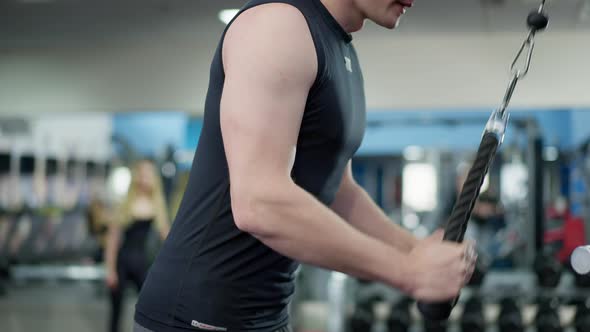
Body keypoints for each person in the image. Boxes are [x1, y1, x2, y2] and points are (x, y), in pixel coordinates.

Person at [134, 1, 478, 331]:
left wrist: (415, 250)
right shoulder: (277, 27)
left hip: (267, 313)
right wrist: (407, 271)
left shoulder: (338, 47)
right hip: (200, 316)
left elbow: (337, 191)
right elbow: (258, 202)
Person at [105, 159, 170, 332]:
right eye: (142, 174)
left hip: (143, 264)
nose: (144, 178)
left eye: (148, 174)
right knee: (116, 312)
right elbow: (112, 240)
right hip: (122, 262)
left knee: (149, 309)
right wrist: (110, 270)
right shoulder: (125, 205)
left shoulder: (158, 205)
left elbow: (167, 239)